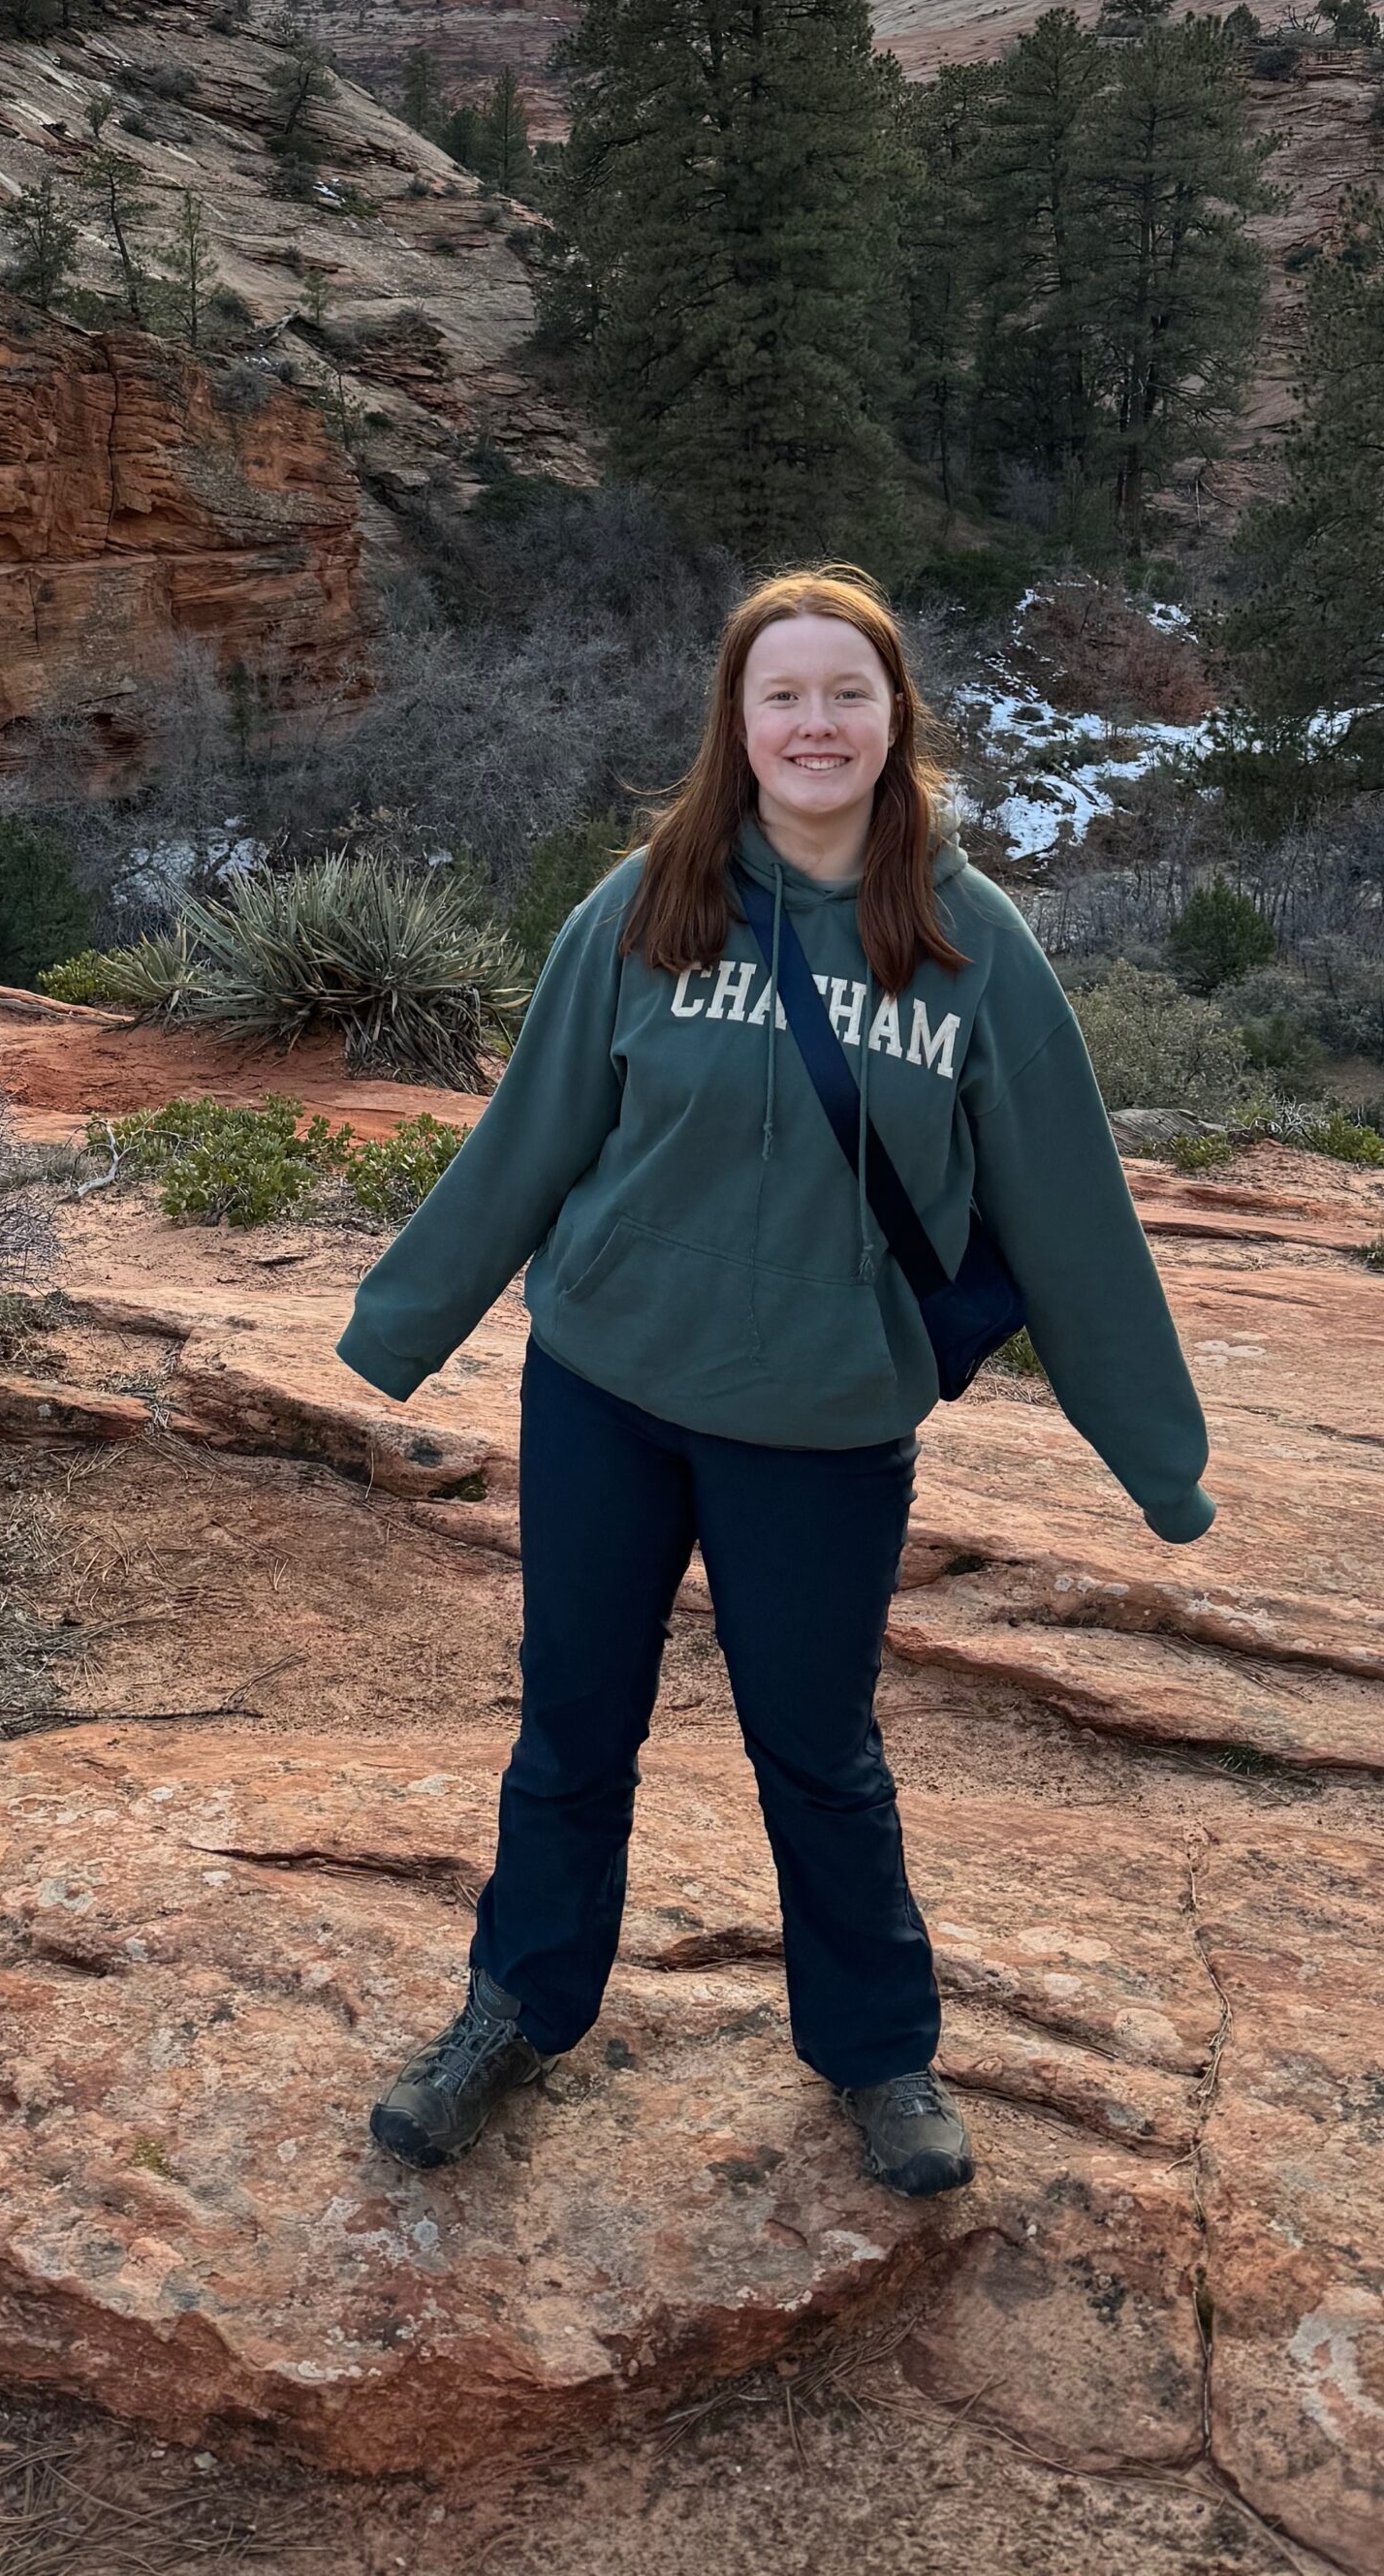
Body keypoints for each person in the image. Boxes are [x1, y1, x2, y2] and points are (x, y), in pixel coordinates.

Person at [335, 565, 1215, 2199]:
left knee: (816, 1749)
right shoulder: (649, 905)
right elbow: (534, 1136)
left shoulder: (968, 943)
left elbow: (1075, 1220)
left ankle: (880, 2053)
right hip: (605, 1389)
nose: (817, 725)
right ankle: (515, 2011)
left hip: (820, 1427)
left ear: (895, 721)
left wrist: (1157, 1457)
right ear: (737, 727)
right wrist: (402, 1329)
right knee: (573, 1725)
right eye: (783, 697)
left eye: (847, 695)